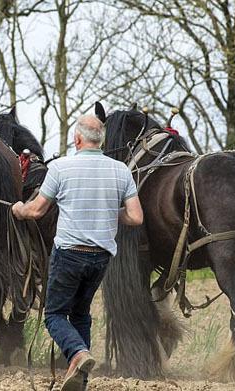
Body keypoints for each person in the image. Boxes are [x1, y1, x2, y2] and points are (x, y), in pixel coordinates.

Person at [11, 114, 143, 391]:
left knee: (54, 314)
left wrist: (19, 209)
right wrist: (108, 211)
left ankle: (78, 354)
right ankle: (80, 376)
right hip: (101, 257)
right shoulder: (121, 170)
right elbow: (135, 217)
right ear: (102, 140)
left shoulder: (60, 168)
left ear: (78, 139)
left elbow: (37, 210)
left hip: (70, 252)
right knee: (81, 312)